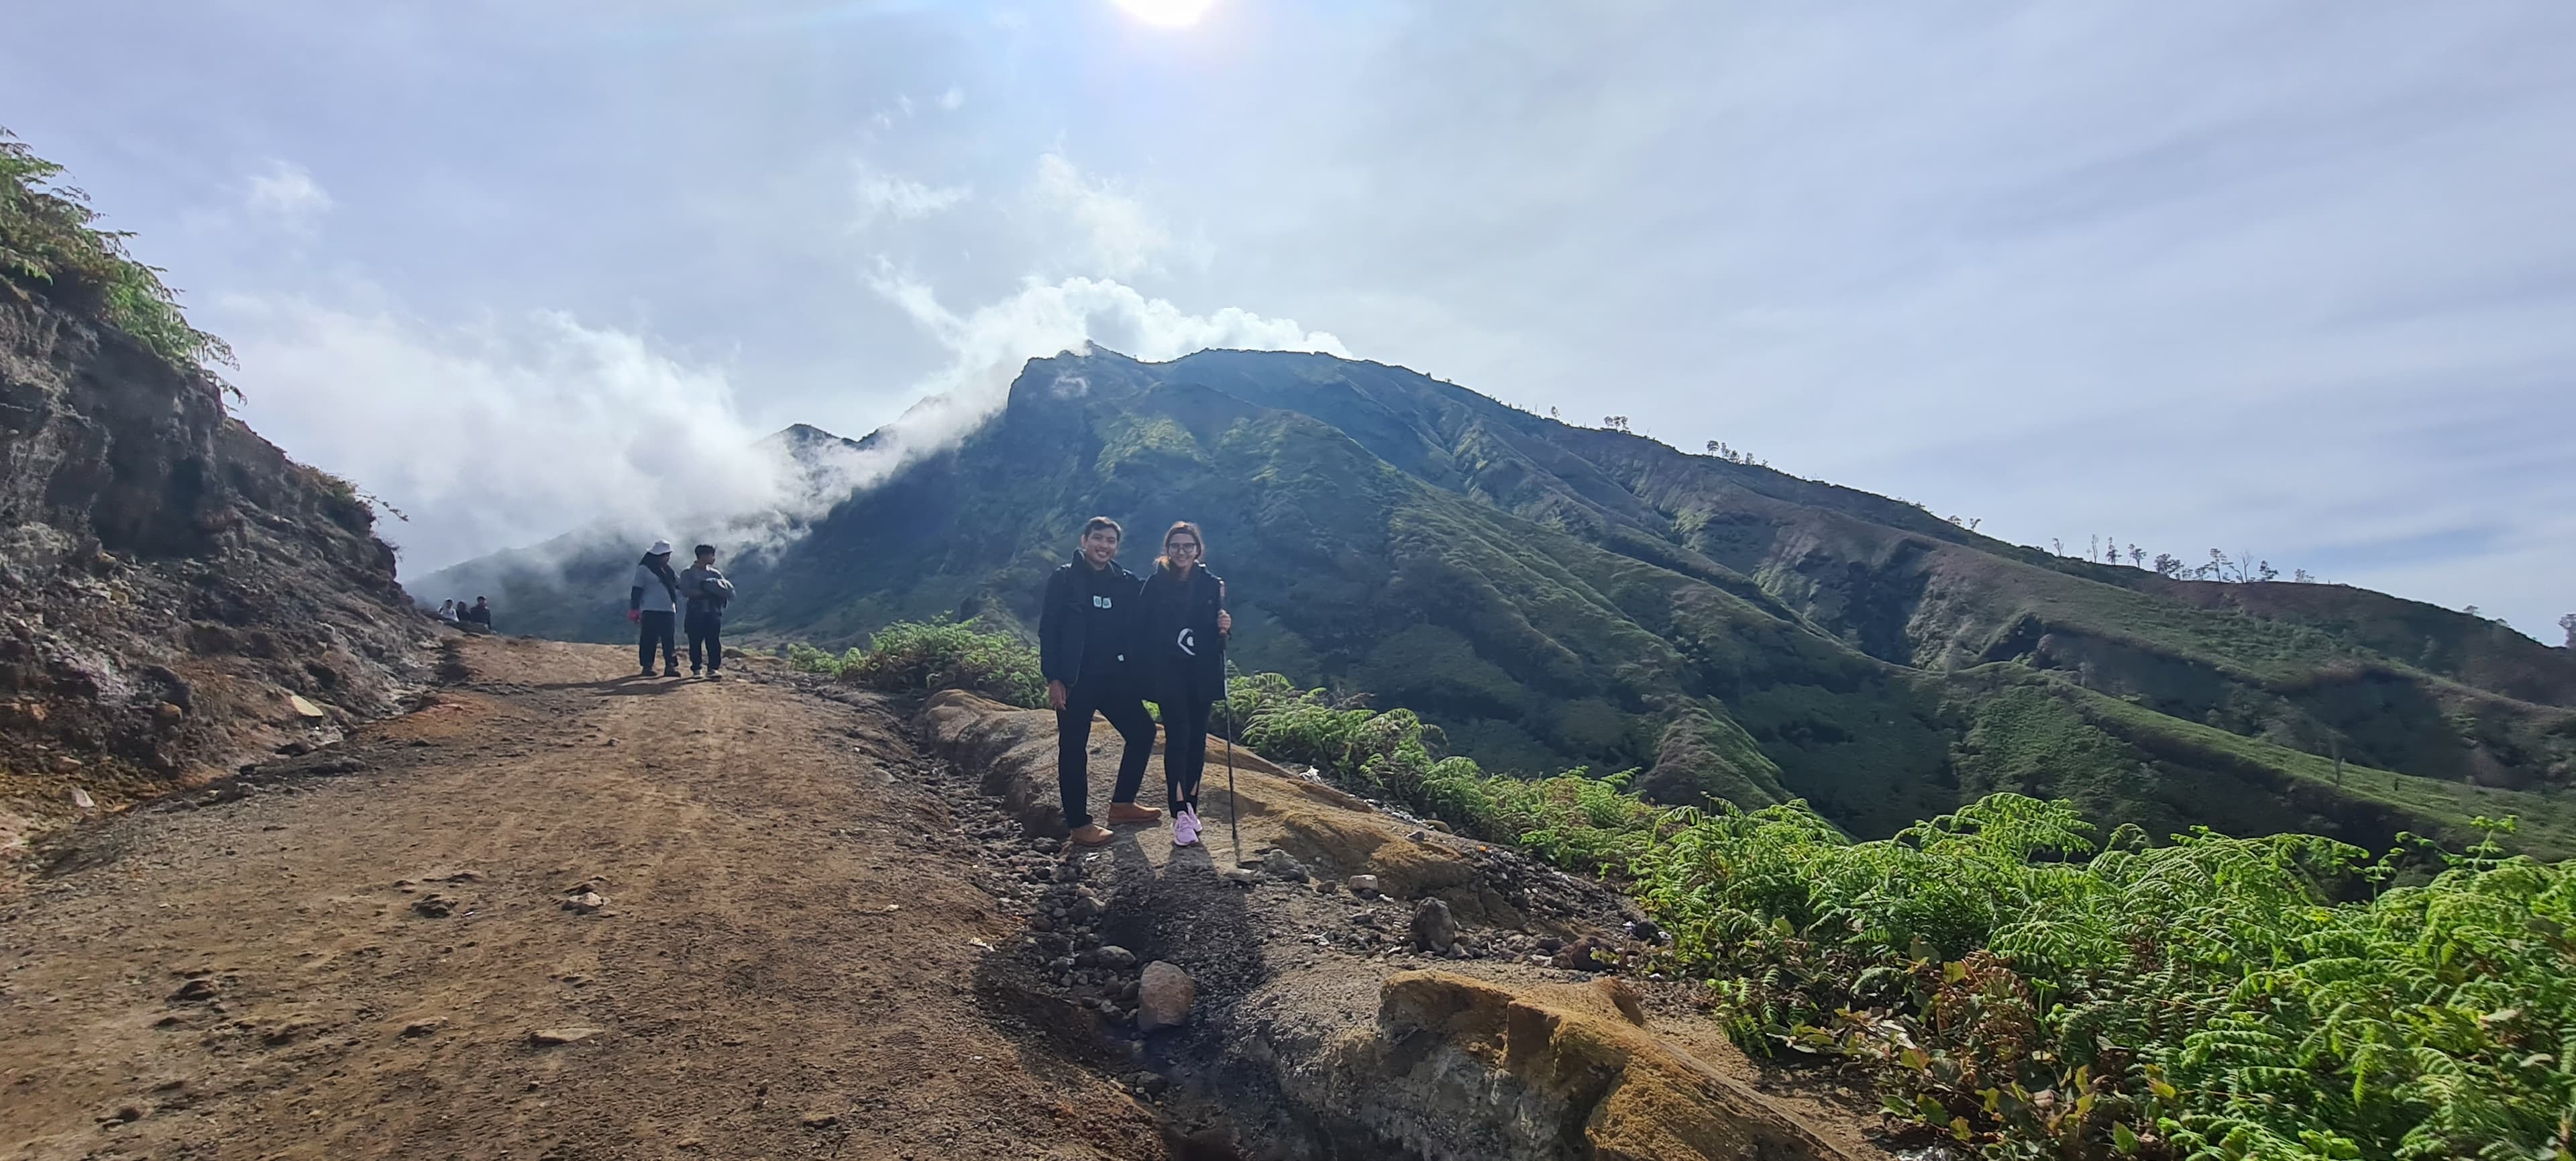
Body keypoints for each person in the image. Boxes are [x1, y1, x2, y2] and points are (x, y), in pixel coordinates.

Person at [1038, 516, 1159, 846]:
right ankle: (1079, 825)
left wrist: (1210, 600)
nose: (1104, 546)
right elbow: (1049, 630)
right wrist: (1054, 678)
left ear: (1116, 546)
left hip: (1116, 677)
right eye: (1098, 539)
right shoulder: (1064, 580)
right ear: (1084, 541)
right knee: (1074, 749)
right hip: (1076, 680)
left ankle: (1122, 805)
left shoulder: (1124, 581)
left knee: (1142, 732)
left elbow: (1158, 604)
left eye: (1111, 541)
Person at [1138, 521, 1231, 848]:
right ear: (1167, 550)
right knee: (1178, 737)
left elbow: (1217, 636)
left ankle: (1191, 806)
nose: (1181, 552)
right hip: (1169, 673)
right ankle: (1178, 813)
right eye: (1175, 546)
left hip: (1201, 672)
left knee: (1196, 742)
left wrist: (1224, 627)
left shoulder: (1211, 585)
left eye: (1187, 547)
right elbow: (1142, 627)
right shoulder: (1155, 585)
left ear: (1198, 550)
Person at [678, 544, 734, 678]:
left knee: (713, 641)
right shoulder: (688, 573)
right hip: (695, 612)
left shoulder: (715, 573)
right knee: (695, 641)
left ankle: (713, 669)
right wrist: (707, 592)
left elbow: (726, 589)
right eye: (711, 555)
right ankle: (697, 669)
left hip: (713, 612)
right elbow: (686, 591)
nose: (713, 558)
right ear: (703, 556)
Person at [628, 540, 683, 677]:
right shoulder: (644, 569)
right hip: (650, 609)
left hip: (668, 610)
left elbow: (679, 584)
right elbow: (637, 589)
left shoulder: (668, 571)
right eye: (666, 555)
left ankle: (670, 666)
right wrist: (634, 609)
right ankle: (647, 666)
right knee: (649, 638)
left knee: (668, 639)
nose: (668, 558)